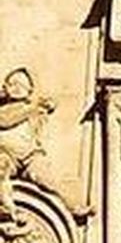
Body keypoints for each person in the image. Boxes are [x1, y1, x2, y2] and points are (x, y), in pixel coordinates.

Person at [0, 70, 85, 227]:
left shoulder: (34, 108)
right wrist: (33, 108)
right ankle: (7, 209)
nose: (16, 88)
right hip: (7, 156)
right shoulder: (6, 110)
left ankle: (73, 206)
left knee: (49, 180)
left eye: (21, 84)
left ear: (29, 90)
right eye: (12, 84)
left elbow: (51, 104)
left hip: (30, 156)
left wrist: (44, 105)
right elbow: (5, 121)